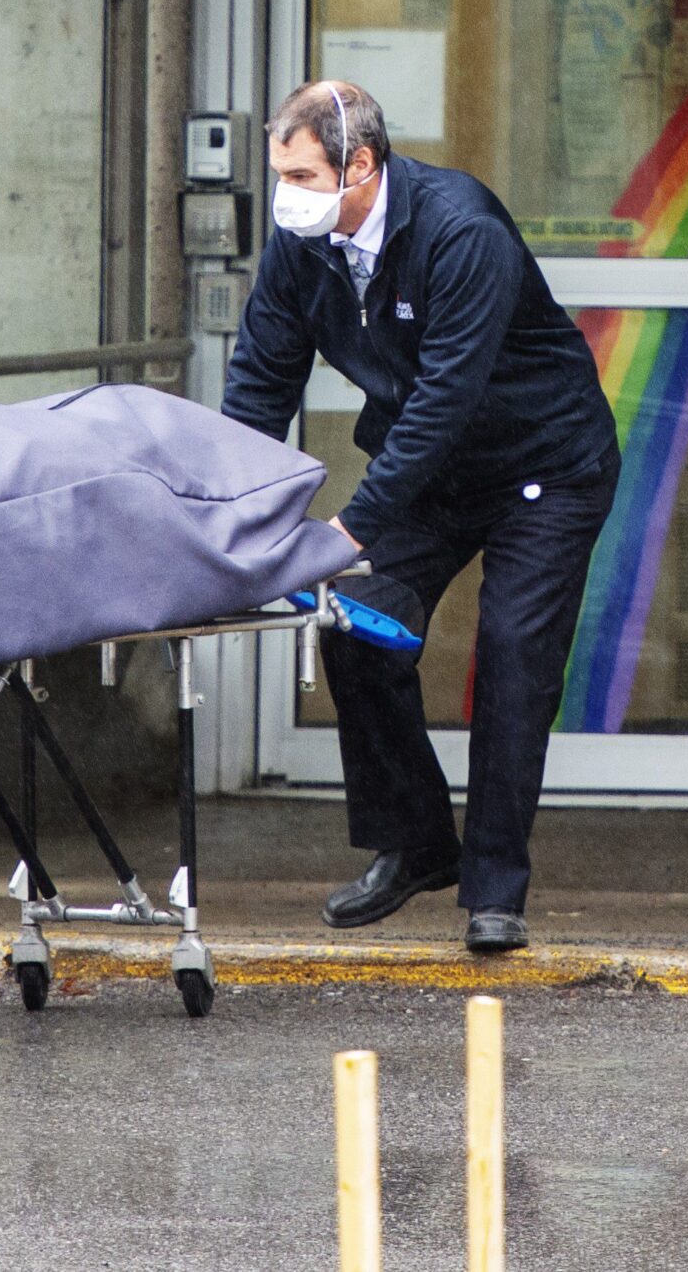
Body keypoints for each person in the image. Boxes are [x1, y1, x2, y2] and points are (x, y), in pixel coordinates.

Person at [223, 81, 620, 955]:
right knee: (354, 629)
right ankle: (418, 844)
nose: (284, 192)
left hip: (544, 467)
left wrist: (347, 530)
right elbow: (262, 379)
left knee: (514, 658)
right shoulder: (305, 243)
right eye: (280, 172)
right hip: (431, 473)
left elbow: (445, 398)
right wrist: (225, 508)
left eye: (300, 173)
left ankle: (494, 890)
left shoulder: (459, 231)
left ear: (359, 165)